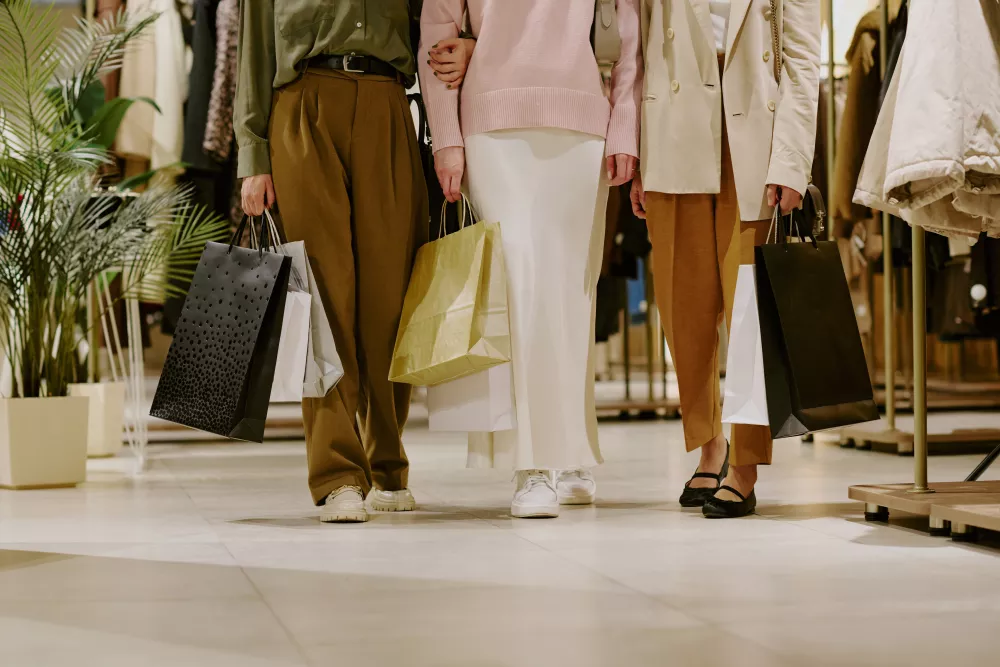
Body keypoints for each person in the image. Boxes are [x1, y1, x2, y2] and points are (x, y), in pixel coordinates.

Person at [420, 0, 643, 518]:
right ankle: (533, 463)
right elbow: (436, 32)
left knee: (572, 290)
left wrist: (626, 126)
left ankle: (570, 451)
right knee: (520, 286)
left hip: (582, 119)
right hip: (490, 123)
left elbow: (625, 30)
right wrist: (446, 139)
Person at [235, 1, 428, 523]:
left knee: (391, 298)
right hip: (303, 107)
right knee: (323, 297)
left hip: (388, 103)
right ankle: (337, 473)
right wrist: (252, 154)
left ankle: (388, 461)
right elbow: (252, 47)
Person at [632, 0, 821, 518]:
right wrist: (637, 155)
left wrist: (791, 160)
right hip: (674, 129)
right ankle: (708, 443)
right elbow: (640, 48)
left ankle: (746, 464)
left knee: (750, 312)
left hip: (755, 132)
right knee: (682, 306)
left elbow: (804, 60)